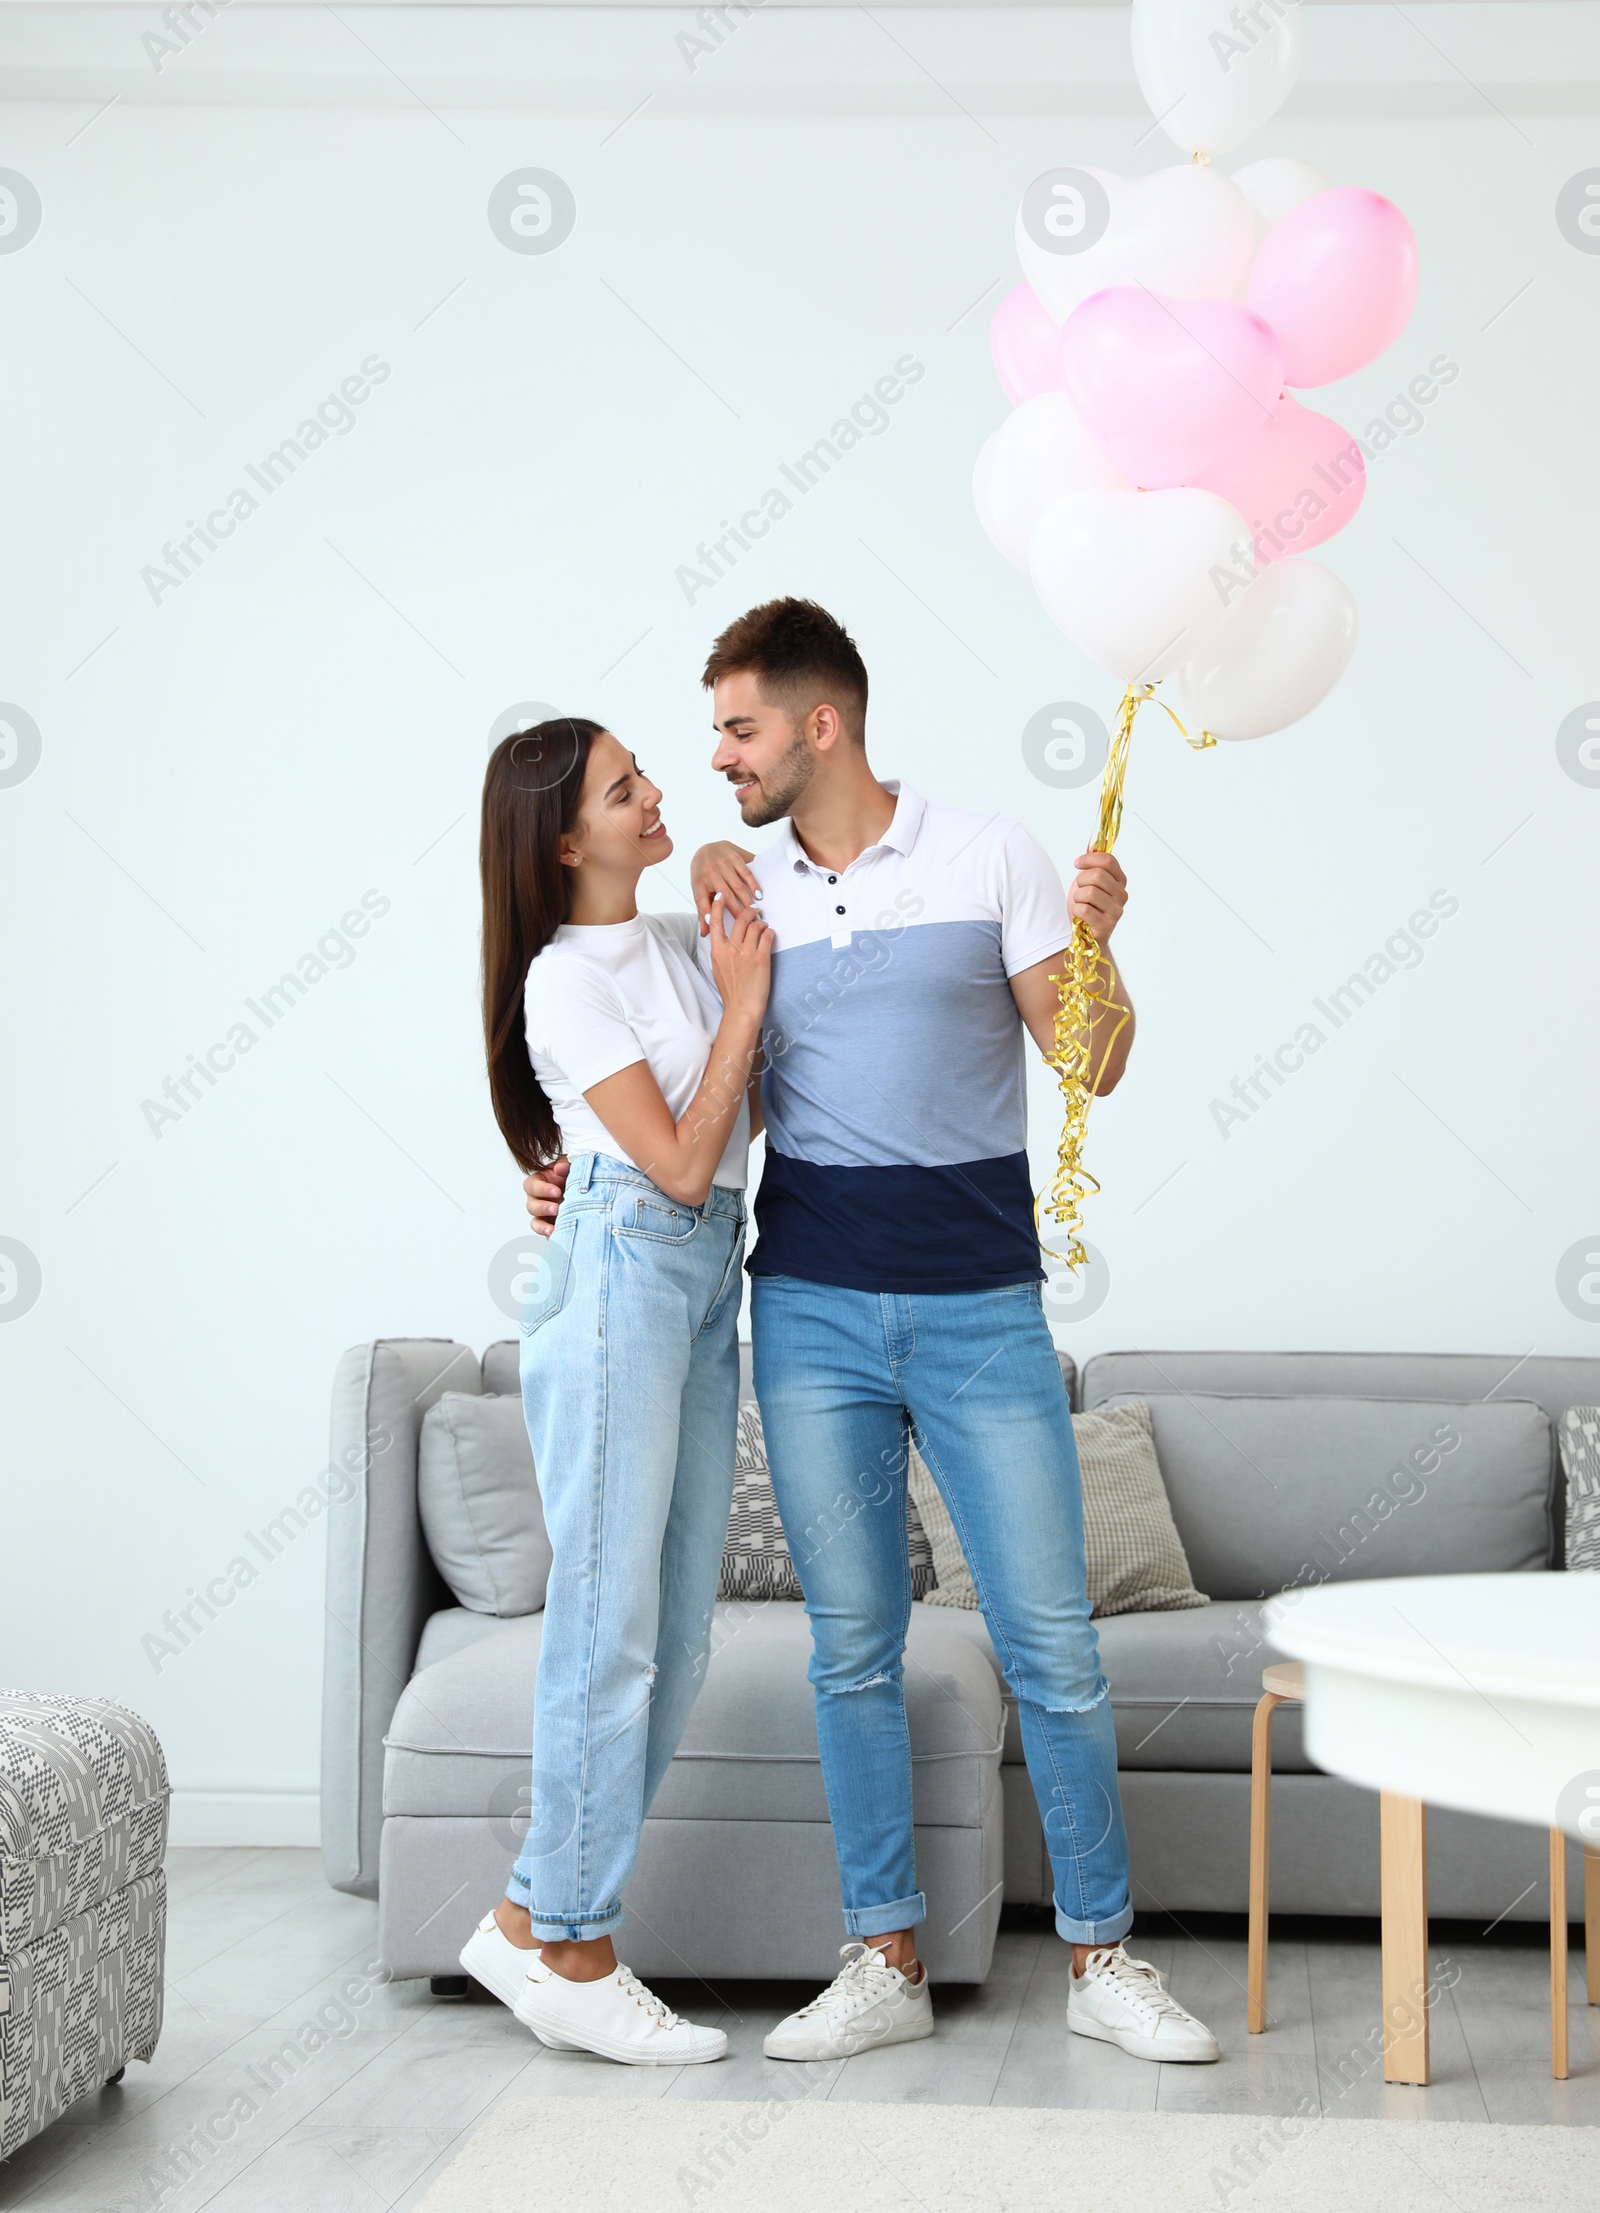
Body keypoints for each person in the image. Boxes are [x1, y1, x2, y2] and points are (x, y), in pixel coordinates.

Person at [527, 600, 1219, 2068]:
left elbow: (1088, 1058)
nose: (716, 759)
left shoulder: (991, 857)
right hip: (811, 1314)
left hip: (981, 1313)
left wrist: (1103, 944)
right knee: (855, 1652)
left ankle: (1105, 1957)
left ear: (817, 724)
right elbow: (661, 1068)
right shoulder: (732, 896)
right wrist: (567, 1183)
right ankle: (883, 1958)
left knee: (1055, 1649)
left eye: (736, 728)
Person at [461, 715, 770, 2065]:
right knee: (608, 1627)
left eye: (648, 774)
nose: (657, 794)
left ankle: (526, 1917)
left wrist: (708, 860)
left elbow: (721, 1140)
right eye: (624, 788)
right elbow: (682, 1161)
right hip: (632, 1265)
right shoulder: (558, 981)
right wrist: (747, 997)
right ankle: (578, 1952)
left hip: (701, 1274)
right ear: (564, 839)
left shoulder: (654, 940)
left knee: (678, 1634)